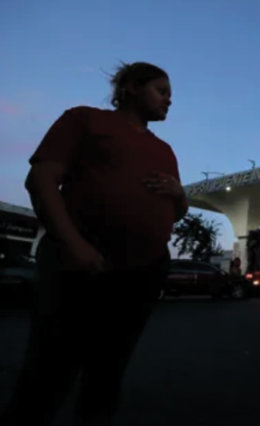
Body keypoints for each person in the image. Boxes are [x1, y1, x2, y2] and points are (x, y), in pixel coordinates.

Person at [1, 62, 188, 426]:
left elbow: (175, 212)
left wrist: (179, 194)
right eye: (162, 91)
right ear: (132, 87)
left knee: (107, 373)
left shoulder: (164, 150)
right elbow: (41, 180)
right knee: (49, 372)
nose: (169, 100)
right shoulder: (85, 121)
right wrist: (72, 243)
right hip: (80, 263)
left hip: (141, 273)